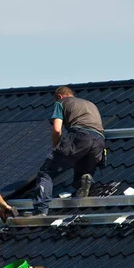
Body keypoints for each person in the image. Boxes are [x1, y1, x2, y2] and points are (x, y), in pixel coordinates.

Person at [32, 86, 105, 216]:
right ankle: (85, 180)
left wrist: (57, 148)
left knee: (46, 172)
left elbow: (57, 129)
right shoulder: (90, 104)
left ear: (60, 96)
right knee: (82, 173)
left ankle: (40, 209)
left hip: (80, 136)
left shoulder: (61, 103)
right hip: (99, 142)